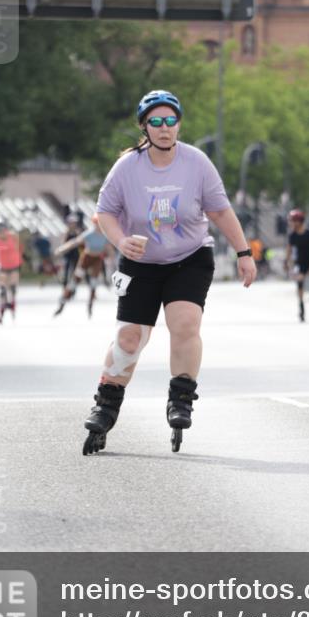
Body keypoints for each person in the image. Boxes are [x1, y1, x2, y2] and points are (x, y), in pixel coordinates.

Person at [83, 88, 257, 455]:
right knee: (130, 339)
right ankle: (106, 405)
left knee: (185, 324)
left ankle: (181, 397)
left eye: (171, 120)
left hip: (189, 258)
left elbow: (221, 212)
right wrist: (119, 241)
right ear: (144, 127)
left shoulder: (196, 163)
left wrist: (244, 253)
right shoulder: (127, 167)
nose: (164, 128)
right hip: (140, 264)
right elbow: (105, 214)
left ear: (179, 123)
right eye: (156, 122)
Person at [53, 214, 112, 318]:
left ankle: (90, 306)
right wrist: (62, 249)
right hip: (86, 259)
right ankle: (62, 303)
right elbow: (75, 242)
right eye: (97, 224)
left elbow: (109, 249)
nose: (99, 226)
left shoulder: (105, 235)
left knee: (94, 284)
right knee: (74, 281)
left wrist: (112, 261)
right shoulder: (90, 233)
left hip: (97, 260)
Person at [0, 221, 23, 324]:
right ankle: (1, 315)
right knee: (2, 290)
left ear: (6, 230)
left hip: (15, 264)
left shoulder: (13, 236)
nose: (1, 233)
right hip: (2, 266)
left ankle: (13, 307)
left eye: (3, 231)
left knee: (13, 288)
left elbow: (19, 248)